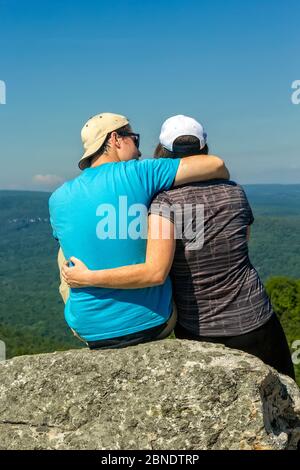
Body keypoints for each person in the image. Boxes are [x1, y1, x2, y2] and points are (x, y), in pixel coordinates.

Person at [62, 115, 295, 380]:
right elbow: (244, 241)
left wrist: (89, 276)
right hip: (256, 317)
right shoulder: (235, 192)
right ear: (203, 149)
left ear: (162, 152)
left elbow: (156, 270)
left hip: (199, 327)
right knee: (286, 402)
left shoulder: (162, 202)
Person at [49, 112, 229, 350]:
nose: (139, 150)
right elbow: (215, 164)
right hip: (153, 323)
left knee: (64, 251)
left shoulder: (57, 197)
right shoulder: (140, 172)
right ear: (115, 139)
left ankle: (89, 306)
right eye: (135, 139)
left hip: (88, 330)